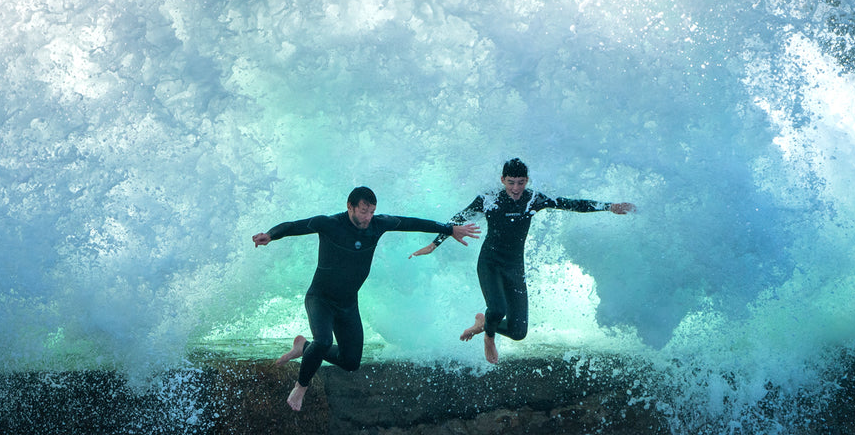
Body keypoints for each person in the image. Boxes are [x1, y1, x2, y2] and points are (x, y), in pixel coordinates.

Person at [253, 186, 480, 410]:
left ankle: (304, 347)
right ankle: (301, 386)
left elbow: (412, 223)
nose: (368, 217)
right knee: (323, 342)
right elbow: (295, 226)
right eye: (363, 211)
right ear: (349, 206)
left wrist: (450, 229)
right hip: (320, 299)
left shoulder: (378, 224)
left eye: (371, 211)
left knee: (351, 362)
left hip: (347, 304)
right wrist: (270, 235)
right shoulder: (329, 224)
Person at [411, 158, 635, 364]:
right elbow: (457, 219)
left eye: (520, 182)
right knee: (497, 309)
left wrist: (609, 207)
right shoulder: (488, 199)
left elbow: (570, 204)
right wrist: (434, 244)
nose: (516, 188)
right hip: (490, 262)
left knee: (519, 332)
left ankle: (483, 323)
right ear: (502, 180)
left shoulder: (533, 199)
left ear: (527, 181)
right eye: (511, 182)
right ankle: (489, 337)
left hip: (514, 267)